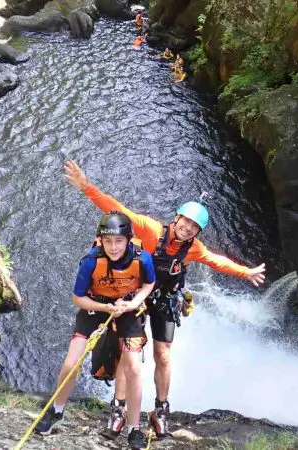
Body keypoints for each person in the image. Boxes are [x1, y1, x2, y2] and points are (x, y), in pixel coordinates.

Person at [63, 160, 266, 440]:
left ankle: (160, 410)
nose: (187, 229)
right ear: (177, 219)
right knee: (126, 351)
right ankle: (119, 408)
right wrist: (87, 187)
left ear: (196, 232)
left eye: (194, 227)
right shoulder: (150, 230)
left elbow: (217, 262)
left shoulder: (193, 249)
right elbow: (117, 210)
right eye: (185, 222)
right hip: (137, 296)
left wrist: (246, 272)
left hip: (165, 299)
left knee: (163, 354)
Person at [36, 212, 155, 449]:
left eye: (119, 241)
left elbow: (148, 284)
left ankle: (134, 427)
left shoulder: (143, 259)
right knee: (71, 363)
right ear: (100, 240)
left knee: (132, 366)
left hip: (127, 308)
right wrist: (104, 306)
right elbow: (78, 298)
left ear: (128, 239)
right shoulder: (91, 261)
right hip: (95, 306)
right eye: (108, 241)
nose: (113, 247)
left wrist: (132, 304)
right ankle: (57, 409)